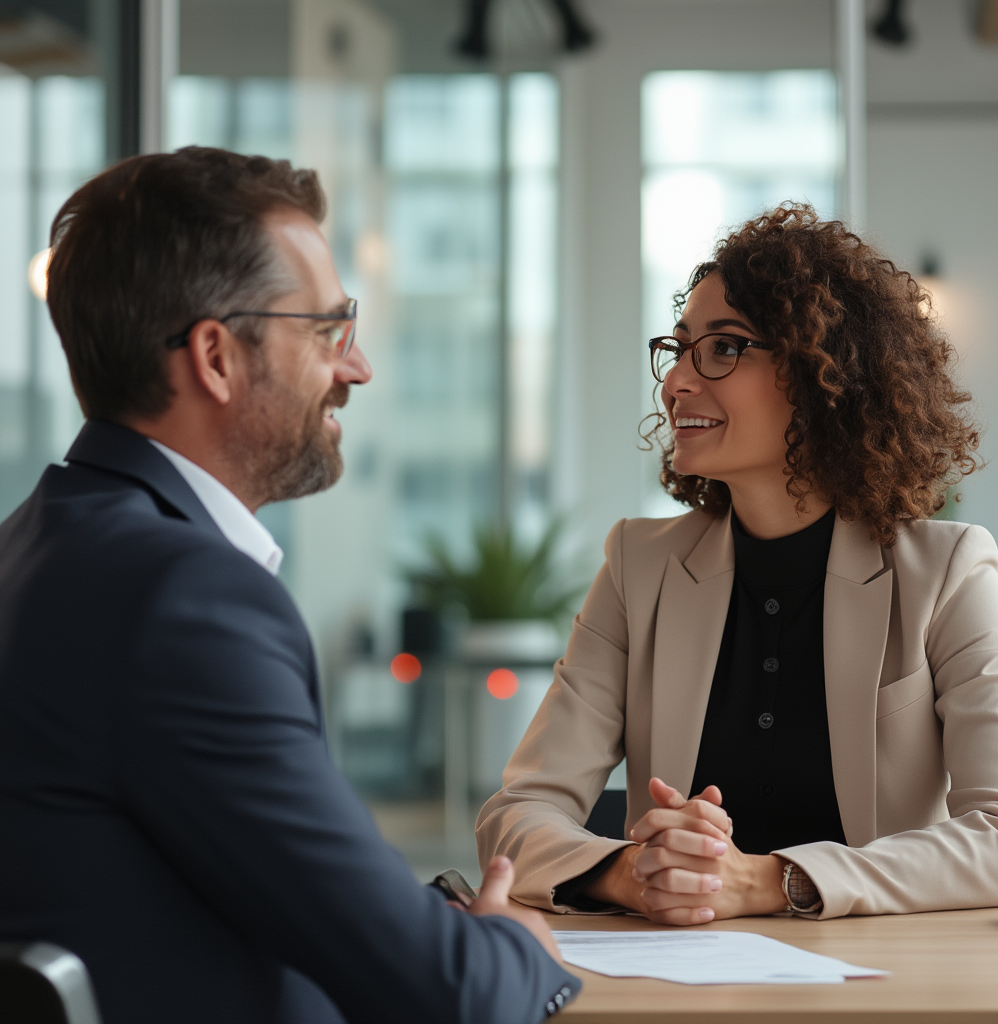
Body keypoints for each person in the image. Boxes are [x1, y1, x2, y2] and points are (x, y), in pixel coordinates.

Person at [0, 147, 580, 1024]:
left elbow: (241, 880)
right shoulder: (183, 598)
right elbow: (444, 992)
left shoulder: (34, 546)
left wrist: (419, 921)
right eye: (328, 332)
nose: (357, 369)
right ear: (217, 357)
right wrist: (513, 949)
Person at [477, 203, 998, 925]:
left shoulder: (947, 571)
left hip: (881, 982)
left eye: (724, 348)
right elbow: (518, 812)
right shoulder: (638, 567)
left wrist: (768, 882)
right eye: (678, 349)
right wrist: (628, 873)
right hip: (680, 977)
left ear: (823, 373)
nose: (677, 382)